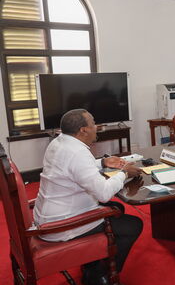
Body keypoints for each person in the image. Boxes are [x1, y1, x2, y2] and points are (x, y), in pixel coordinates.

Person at [33, 109, 143, 285]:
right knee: (133, 225)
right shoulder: (77, 153)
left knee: (118, 209)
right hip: (61, 225)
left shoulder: (59, 142)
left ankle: (91, 264)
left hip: (46, 216)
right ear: (83, 130)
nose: (96, 127)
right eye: (93, 123)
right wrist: (124, 174)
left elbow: (74, 167)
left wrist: (103, 162)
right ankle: (100, 275)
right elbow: (104, 194)